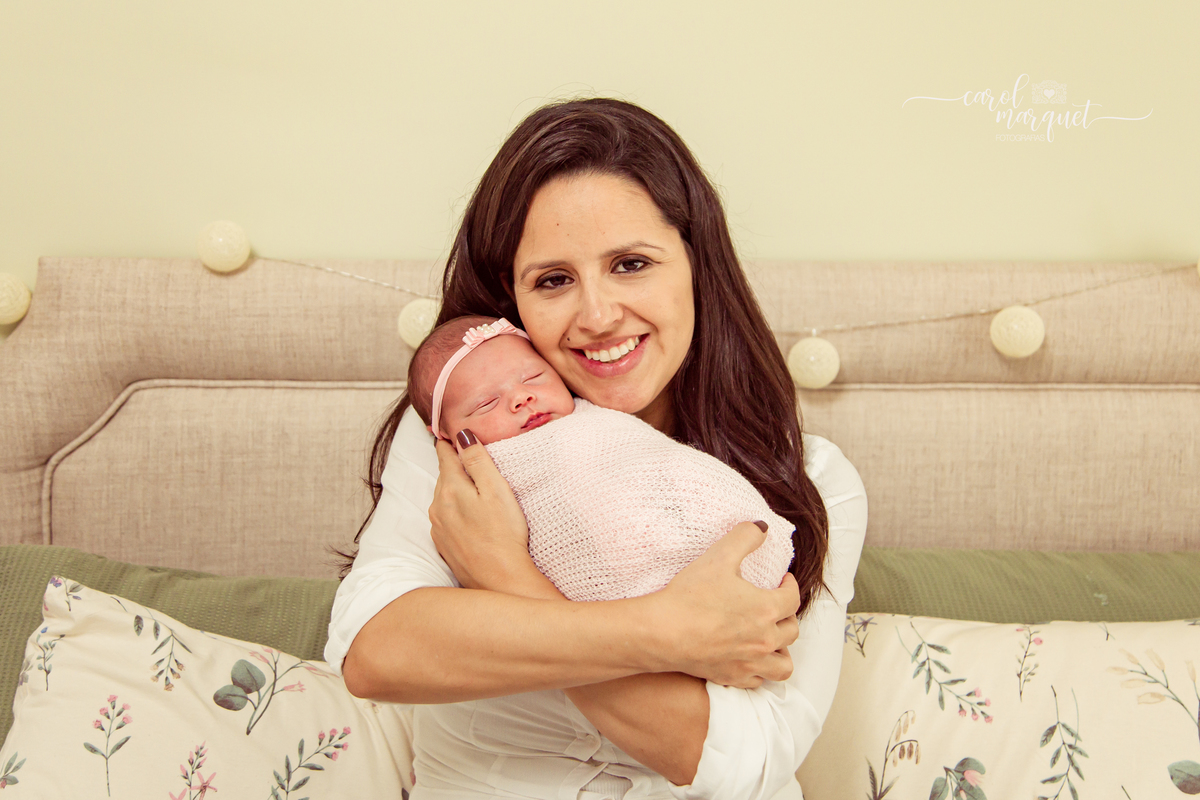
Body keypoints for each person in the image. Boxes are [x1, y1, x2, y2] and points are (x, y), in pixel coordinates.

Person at [326, 97, 868, 800]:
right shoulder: (468, 435)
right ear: (509, 303)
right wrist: (665, 632)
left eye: (632, 264)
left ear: (697, 267)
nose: (598, 315)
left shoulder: (813, 479)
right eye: (553, 280)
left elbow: (749, 761)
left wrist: (504, 574)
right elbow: (377, 651)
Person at [406, 313, 795, 601]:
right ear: (443, 436)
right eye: (487, 402)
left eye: (534, 378)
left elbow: (658, 464)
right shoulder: (458, 491)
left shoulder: (598, 421)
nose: (522, 398)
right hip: (622, 591)